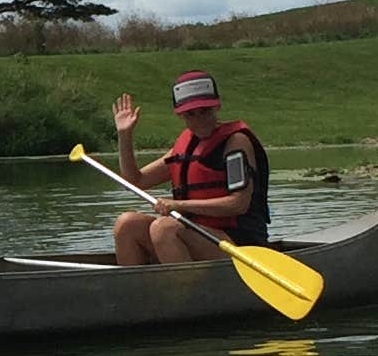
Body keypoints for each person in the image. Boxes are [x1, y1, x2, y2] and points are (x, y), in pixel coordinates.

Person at [108, 70, 272, 266]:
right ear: (181, 115)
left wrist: (178, 206)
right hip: (195, 236)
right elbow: (135, 181)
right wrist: (124, 135)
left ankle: (186, 293)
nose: (200, 120)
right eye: (191, 114)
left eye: (205, 111)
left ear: (217, 106)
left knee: (164, 228)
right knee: (126, 224)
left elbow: (239, 203)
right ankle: (136, 293)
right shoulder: (185, 146)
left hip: (242, 246)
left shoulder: (236, 142)